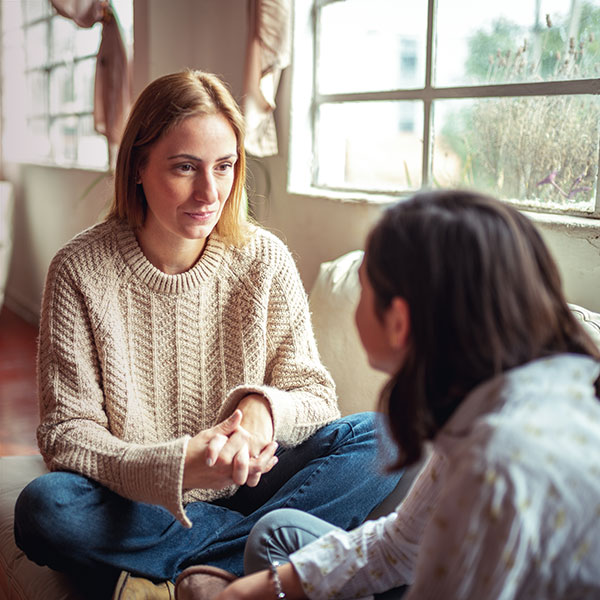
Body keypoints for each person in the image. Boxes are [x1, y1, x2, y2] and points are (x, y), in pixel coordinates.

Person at [13, 70, 402, 600]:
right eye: (184, 168)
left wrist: (262, 413)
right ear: (138, 169)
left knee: (384, 433)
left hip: (252, 484)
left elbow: (316, 396)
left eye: (224, 167)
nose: (210, 191)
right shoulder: (80, 271)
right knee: (45, 509)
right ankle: (253, 565)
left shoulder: (263, 259)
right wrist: (181, 464)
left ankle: (182, 573)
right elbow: (67, 434)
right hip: (139, 499)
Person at [214, 189, 600, 600]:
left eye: (364, 286)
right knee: (274, 534)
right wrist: (249, 592)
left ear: (399, 320)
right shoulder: (505, 396)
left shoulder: (496, 464)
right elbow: (401, 546)